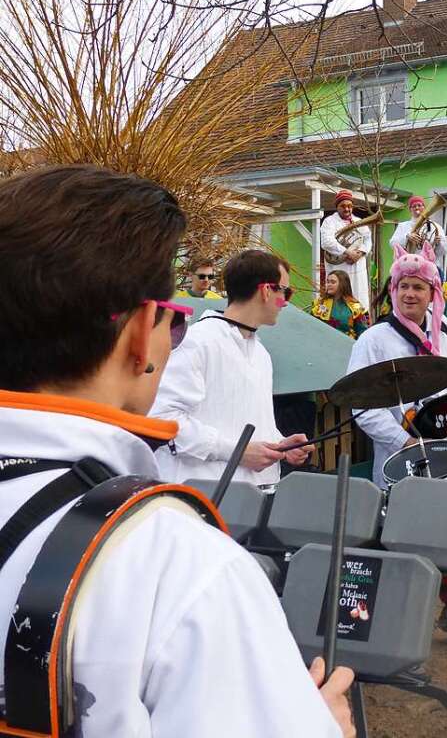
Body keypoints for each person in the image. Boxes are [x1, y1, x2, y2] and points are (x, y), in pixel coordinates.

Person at [0, 164, 354, 736]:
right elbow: (172, 418)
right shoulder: (185, 569)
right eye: (173, 319)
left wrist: (272, 449)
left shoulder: (259, 354)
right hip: (205, 492)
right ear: (144, 333)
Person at [346, 243, 447, 642]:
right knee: (388, 539)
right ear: (393, 291)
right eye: (403, 287)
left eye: (419, 286)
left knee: (441, 533)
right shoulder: (375, 339)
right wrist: (402, 443)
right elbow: (361, 406)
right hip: (400, 456)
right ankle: (365, 620)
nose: (410, 294)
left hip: (441, 452)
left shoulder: (441, 328)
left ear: (433, 291)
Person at [151, 249, 313, 486]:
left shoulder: (261, 354)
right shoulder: (196, 342)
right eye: (285, 292)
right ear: (267, 290)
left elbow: (246, 419)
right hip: (205, 501)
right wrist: (237, 451)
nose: (285, 303)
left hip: (255, 497)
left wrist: (280, 444)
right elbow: (163, 421)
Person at [320, 189, 372, 309]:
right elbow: (326, 242)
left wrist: (361, 252)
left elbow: (368, 239)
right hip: (340, 267)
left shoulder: (359, 221)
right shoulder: (329, 222)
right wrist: (347, 252)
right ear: (337, 207)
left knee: (360, 299)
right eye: (343, 206)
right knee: (340, 299)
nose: (347, 209)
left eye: (349, 206)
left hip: (358, 267)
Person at [390, 194, 447, 279]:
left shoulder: (435, 226)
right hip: (409, 267)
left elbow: (443, 251)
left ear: (424, 207)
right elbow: (392, 243)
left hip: (429, 267)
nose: (417, 208)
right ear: (410, 210)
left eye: (419, 205)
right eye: (413, 206)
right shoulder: (403, 226)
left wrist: (439, 242)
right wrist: (407, 237)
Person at [313, 269, 369, 339]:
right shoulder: (320, 302)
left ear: (343, 284)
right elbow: (309, 322)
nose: (329, 284)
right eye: (327, 282)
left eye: (333, 282)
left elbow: (363, 332)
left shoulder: (355, 306)